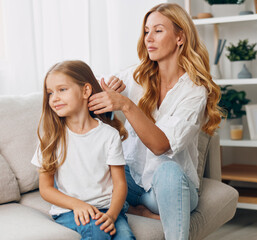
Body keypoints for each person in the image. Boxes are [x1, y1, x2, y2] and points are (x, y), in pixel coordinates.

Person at [88, 3, 222, 240]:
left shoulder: (194, 91)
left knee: (169, 170)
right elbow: (92, 110)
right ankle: (137, 210)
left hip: (165, 190)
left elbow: (161, 146)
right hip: (131, 182)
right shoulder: (133, 76)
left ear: (180, 37)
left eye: (158, 31)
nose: (149, 38)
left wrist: (126, 104)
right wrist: (106, 100)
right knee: (86, 169)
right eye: (147, 31)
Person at [31, 60, 135, 240]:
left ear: (86, 91)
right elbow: (46, 188)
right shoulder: (51, 138)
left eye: (62, 89)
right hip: (70, 210)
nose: (54, 98)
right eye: (50, 93)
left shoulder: (109, 135)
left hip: (106, 209)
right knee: (97, 231)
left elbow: (119, 184)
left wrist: (111, 215)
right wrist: (77, 205)